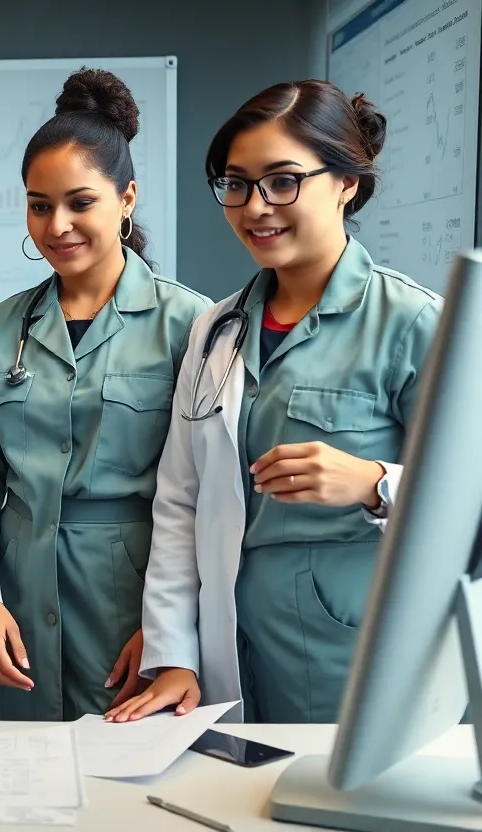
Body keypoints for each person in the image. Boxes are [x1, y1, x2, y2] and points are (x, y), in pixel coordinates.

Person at [108, 80, 442, 725]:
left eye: (283, 181)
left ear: (347, 181)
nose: (256, 206)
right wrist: (176, 652)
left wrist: (375, 483)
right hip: (231, 649)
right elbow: (181, 499)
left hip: (354, 650)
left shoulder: (414, 324)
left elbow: (470, 501)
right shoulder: (216, 329)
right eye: (236, 185)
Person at [0, 68, 213, 722]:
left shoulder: (192, 324)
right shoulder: (1, 325)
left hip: (132, 602)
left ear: (126, 199)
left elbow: (211, 494)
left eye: (80, 202)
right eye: (39, 205)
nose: (57, 224)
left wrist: (172, 631)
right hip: (17, 603)